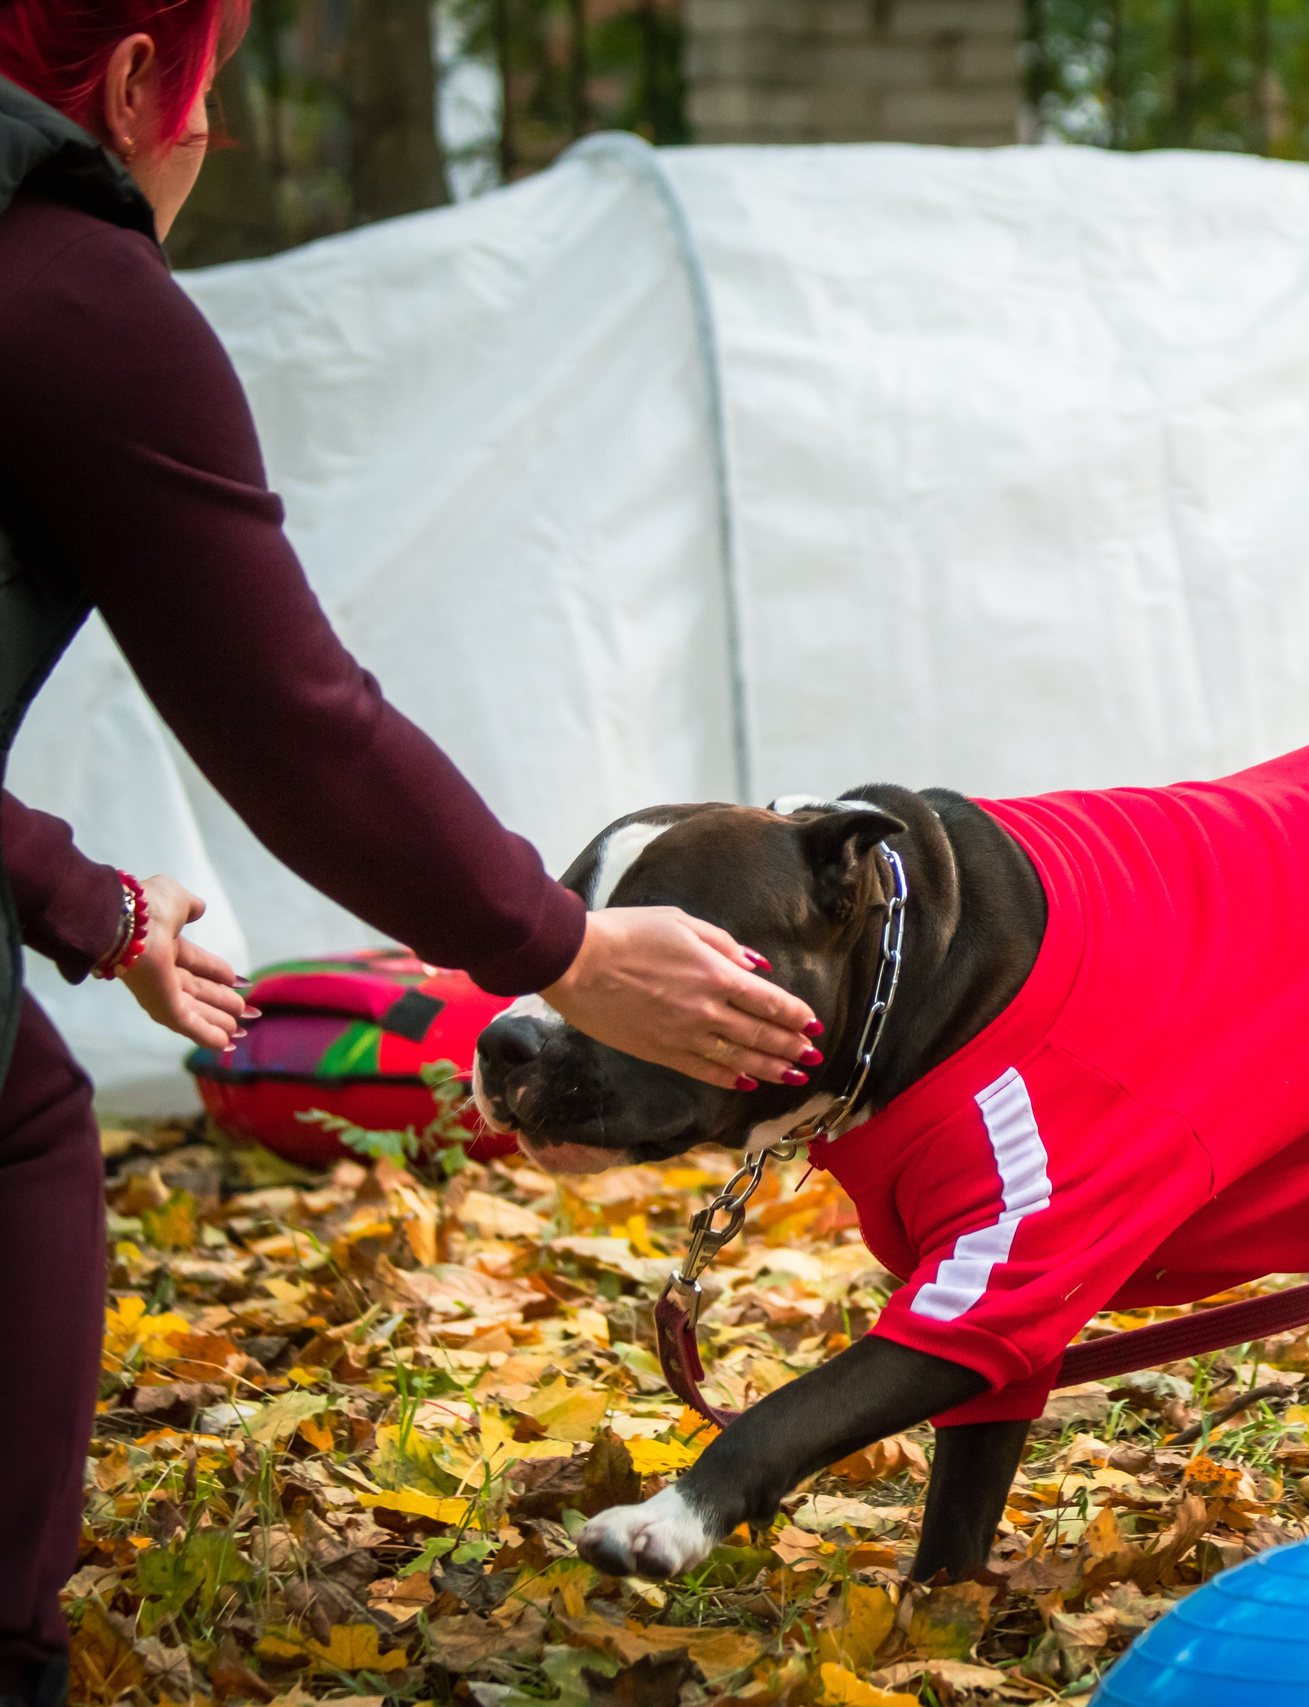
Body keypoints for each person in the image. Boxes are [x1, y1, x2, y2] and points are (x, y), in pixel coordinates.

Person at [0, 6, 822, 1699]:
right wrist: (568, 950)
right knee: (17, 1125)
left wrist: (90, 904)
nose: (199, 151)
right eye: (206, 101)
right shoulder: (70, 289)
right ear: (141, 81)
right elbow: (297, 721)